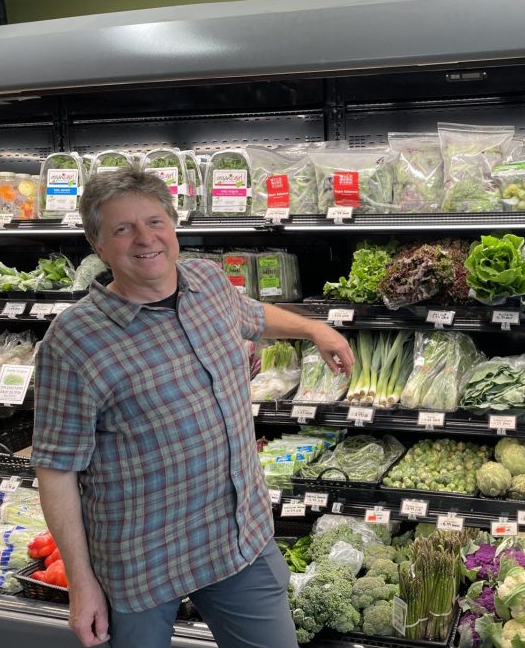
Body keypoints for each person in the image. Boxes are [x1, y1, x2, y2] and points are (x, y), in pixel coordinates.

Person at [31, 167, 354, 648]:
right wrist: (81, 583)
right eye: (123, 229)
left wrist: (315, 329)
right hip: (140, 559)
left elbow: (251, 315)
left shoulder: (206, 279)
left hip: (236, 536)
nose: (146, 238)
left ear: (173, 224)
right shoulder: (74, 342)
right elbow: (56, 469)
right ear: (98, 245)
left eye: (155, 221)